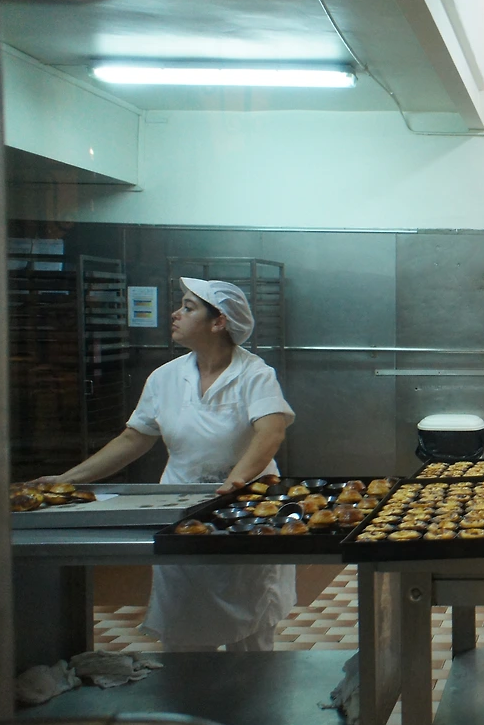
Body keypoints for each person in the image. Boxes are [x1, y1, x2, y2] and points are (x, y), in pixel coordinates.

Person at [40, 278, 297, 651]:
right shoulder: (165, 378)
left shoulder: (254, 374)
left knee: (250, 631)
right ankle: (186, 685)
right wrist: (65, 480)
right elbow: (134, 438)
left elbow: (270, 431)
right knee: (184, 624)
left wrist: (234, 482)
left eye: (189, 307)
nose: (176, 314)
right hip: (183, 510)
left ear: (218, 322)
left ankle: (251, 685)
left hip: (245, 510)